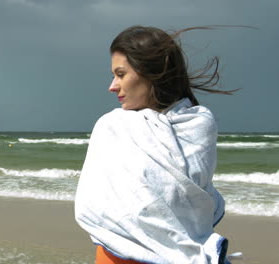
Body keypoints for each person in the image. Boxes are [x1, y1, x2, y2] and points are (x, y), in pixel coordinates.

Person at [75, 25, 236, 264]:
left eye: (121, 74)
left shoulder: (198, 123)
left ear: (152, 72)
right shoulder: (112, 126)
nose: (112, 86)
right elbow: (102, 204)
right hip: (116, 257)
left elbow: (185, 197)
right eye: (113, 75)